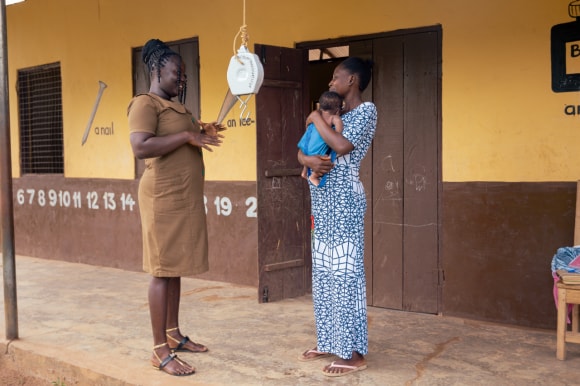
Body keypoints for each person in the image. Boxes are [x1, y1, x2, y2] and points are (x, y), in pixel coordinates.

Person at [127, 38, 225, 377]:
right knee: (161, 269)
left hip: (182, 198)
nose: (180, 80)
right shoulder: (145, 103)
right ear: (156, 70)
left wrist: (202, 129)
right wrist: (187, 138)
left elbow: (188, 133)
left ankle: (173, 333)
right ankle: (159, 350)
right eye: (175, 73)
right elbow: (141, 147)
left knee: (174, 267)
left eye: (183, 75)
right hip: (162, 199)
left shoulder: (178, 107)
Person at [297, 57, 377, 377]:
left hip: (345, 202)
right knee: (325, 274)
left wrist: (316, 117)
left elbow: (341, 146)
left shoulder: (366, 111)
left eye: (336, 77)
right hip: (323, 203)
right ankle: (331, 340)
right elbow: (302, 153)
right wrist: (308, 160)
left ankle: (354, 353)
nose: (331, 83)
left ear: (352, 81)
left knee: (346, 275)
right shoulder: (333, 116)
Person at [297, 91, 344, 187]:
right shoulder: (334, 118)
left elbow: (308, 126)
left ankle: (304, 172)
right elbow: (338, 136)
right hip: (317, 151)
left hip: (306, 146)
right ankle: (313, 176)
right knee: (326, 159)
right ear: (338, 110)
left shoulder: (316, 115)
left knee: (308, 157)